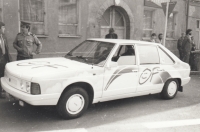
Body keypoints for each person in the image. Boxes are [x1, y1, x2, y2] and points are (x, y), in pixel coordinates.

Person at [0, 22, 12, 98]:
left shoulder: (4, 37)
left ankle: (2, 91)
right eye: (3, 28)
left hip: (4, 59)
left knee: (2, 75)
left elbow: (7, 49)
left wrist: (9, 60)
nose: (4, 29)